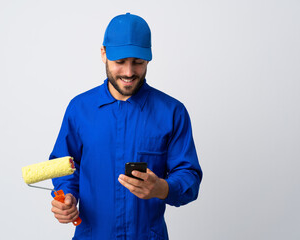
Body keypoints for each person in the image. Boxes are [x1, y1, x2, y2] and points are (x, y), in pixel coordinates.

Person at [49, 13, 202, 240]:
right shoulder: (79, 109)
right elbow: (64, 165)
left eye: (138, 62)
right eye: (120, 62)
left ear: (148, 58)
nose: (129, 72)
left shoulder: (172, 112)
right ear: (104, 54)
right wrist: (66, 197)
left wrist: (161, 188)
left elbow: (189, 175)